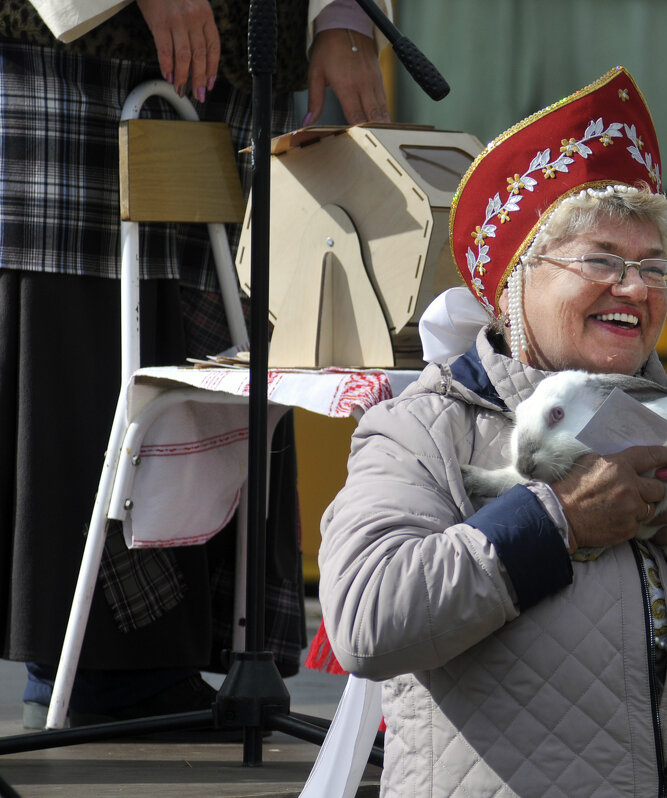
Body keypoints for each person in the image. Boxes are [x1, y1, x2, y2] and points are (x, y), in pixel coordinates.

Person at [318, 66, 667, 796]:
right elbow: (368, 623)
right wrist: (555, 523)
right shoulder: (425, 428)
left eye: (655, 269)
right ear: (517, 279)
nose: (634, 289)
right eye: (602, 261)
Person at [0, 0, 390, 728]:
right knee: (88, 347)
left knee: (228, 357)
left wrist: (343, 15)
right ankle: (100, 674)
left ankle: (162, 670)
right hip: (79, 58)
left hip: (243, 62)